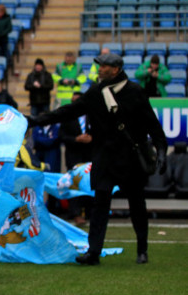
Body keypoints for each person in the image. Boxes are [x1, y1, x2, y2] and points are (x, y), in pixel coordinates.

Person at [29, 53, 167, 265]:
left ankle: (142, 249)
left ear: (116, 69)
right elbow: (68, 111)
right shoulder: (95, 92)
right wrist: (37, 120)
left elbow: (152, 124)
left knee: (137, 205)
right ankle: (94, 252)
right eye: (100, 66)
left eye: (104, 66)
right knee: (100, 205)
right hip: (104, 158)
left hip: (130, 159)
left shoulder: (135, 92)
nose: (100, 69)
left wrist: (162, 150)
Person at [59, 92, 93, 225]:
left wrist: (91, 138)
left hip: (89, 155)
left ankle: (90, 212)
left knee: (89, 184)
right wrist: (76, 139)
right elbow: (61, 136)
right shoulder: (68, 117)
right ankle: (76, 213)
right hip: (73, 156)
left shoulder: (93, 116)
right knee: (74, 184)